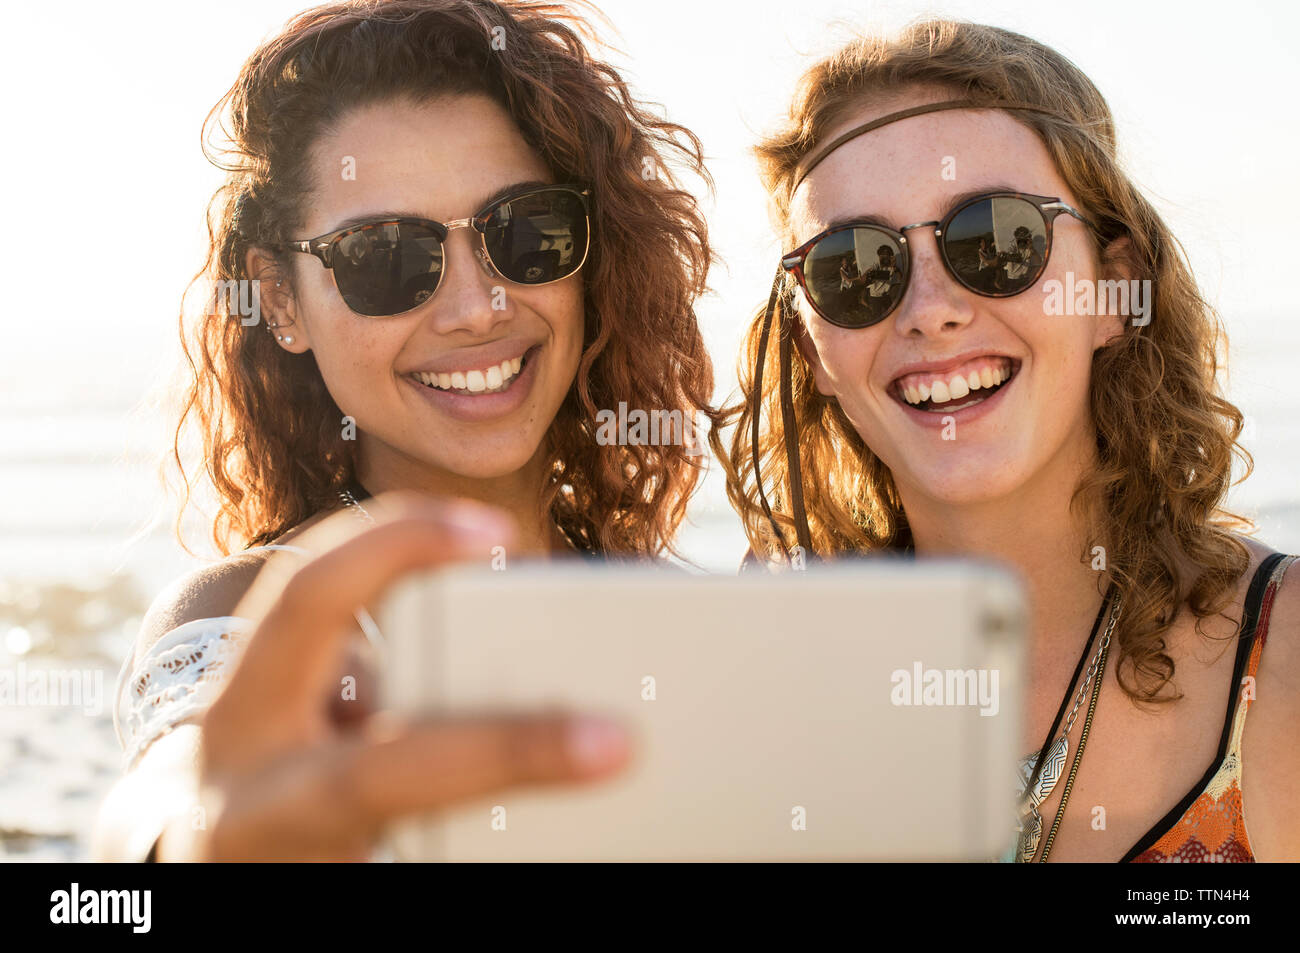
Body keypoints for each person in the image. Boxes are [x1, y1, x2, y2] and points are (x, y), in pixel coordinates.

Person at [94, 0, 716, 861]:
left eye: (526, 231)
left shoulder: (697, 612)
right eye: (385, 256)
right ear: (280, 300)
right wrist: (193, 841)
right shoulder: (254, 614)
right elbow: (177, 789)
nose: (474, 308)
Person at [714, 18, 1298, 861]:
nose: (930, 309)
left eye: (995, 239)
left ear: (1115, 286)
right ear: (814, 352)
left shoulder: (1284, 665)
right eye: (856, 266)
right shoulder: (757, 686)